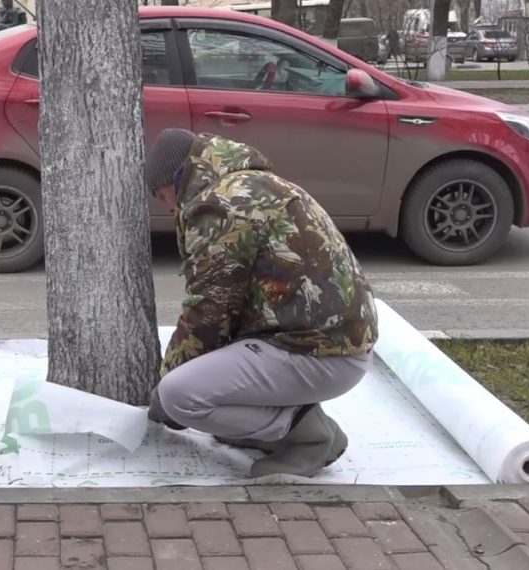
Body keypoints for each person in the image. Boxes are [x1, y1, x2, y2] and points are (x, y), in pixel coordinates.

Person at [142, 129, 378, 478]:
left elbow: (208, 311)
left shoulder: (218, 205)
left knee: (180, 396)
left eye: (162, 195)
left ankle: (309, 435)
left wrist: (165, 387)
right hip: (334, 344)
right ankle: (274, 429)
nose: (168, 207)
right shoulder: (252, 184)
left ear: (176, 178)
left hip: (319, 354)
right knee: (201, 383)